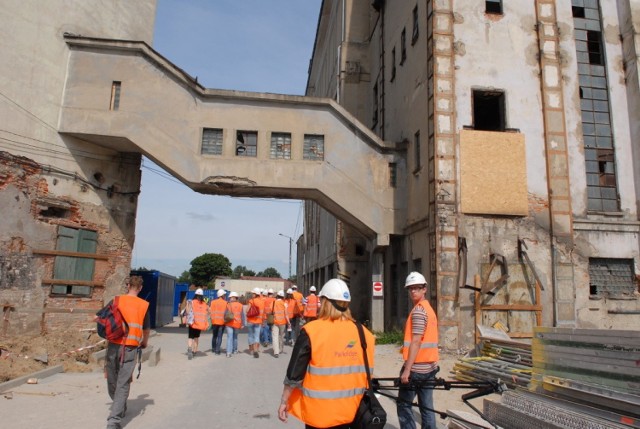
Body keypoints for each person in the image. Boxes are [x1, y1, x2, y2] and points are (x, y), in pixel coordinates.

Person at [278, 278, 375, 428]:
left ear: (325, 302)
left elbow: (294, 375)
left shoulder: (312, 331)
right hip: (353, 413)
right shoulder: (364, 333)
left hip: (320, 414)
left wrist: (284, 401)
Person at [104, 275, 150, 429]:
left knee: (112, 379)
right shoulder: (144, 305)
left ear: (128, 285)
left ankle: (116, 414)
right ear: (141, 288)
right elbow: (146, 328)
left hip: (113, 346)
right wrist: (144, 342)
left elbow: (103, 317)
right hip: (130, 348)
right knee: (123, 383)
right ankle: (115, 418)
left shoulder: (116, 300)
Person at [397, 272, 439, 429]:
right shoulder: (429, 309)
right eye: (410, 289)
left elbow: (416, 341)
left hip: (416, 368)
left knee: (404, 405)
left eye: (417, 288)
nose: (413, 291)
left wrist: (407, 370)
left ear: (424, 289)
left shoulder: (419, 311)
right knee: (427, 407)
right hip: (429, 367)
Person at [187, 288, 209, 360]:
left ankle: (189, 348)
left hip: (192, 323)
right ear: (202, 296)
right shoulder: (205, 304)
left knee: (190, 337)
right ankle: (194, 351)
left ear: (195, 294)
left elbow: (187, 312)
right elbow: (209, 312)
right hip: (200, 324)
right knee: (196, 338)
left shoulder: (191, 302)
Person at [271, 290, 290, 358]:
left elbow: (271, 311)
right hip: (283, 322)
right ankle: (281, 349)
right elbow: (286, 314)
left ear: (277, 296)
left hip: (275, 322)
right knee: (281, 336)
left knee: (275, 337)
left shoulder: (273, 303)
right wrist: (289, 322)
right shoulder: (285, 303)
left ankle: (276, 352)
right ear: (283, 297)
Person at [224, 291, 244, 357]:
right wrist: (242, 324)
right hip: (237, 324)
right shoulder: (240, 305)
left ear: (233, 298)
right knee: (235, 337)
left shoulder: (228, 305)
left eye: (230, 297)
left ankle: (228, 352)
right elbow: (242, 315)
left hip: (229, 323)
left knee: (229, 337)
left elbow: (225, 314)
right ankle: (235, 350)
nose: (230, 298)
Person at [247, 287, 265, 358]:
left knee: (250, 335)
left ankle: (251, 350)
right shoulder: (262, 302)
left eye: (253, 293)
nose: (252, 294)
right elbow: (263, 313)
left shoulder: (251, 301)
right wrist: (263, 321)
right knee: (257, 336)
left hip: (250, 321)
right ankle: (256, 350)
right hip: (258, 321)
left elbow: (247, 310)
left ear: (255, 294)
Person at [209, 289, 227, 355]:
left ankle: (213, 348)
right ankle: (217, 350)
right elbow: (226, 313)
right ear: (222, 295)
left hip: (214, 322)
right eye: (224, 295)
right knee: (219, 337)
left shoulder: (213, 302)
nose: (225, 296)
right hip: (222, 322)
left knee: (214, 336)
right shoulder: (225, 303)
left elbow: (210, 311)